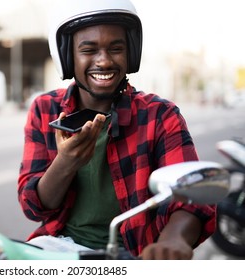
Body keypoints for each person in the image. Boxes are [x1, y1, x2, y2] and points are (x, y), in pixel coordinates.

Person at [17, 0, 216, 260]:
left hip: (133, 254)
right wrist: (65, 163)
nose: (104, 61)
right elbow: (33, 208)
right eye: (88, 50)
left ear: (131, 53)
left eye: (116, 48)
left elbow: (192, 195)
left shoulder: (159, 115)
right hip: (59, 248)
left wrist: (173, 240)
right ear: (68, 56)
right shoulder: (45, 109)